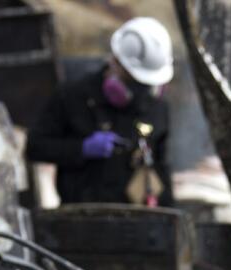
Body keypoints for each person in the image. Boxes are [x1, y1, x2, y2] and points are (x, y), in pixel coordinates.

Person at [29, 17, 175, 207]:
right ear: (114, 61)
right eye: (134, 80)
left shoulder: (156, 107)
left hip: (136, 220)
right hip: (82, 218)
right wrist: (81, 148)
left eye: (147, 84)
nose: (141, 91)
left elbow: (161, 167)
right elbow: (36, 147)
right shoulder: (72, 96)